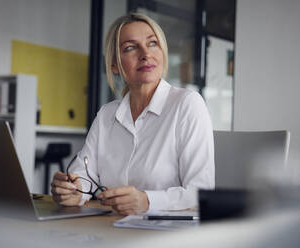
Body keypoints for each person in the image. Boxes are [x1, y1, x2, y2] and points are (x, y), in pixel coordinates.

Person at [51, 13, 214, 216]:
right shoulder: (106, 115)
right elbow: (82, 178)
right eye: (130, 47)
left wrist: (147, 201)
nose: (145, 54)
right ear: (114, 65)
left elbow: (201, 193)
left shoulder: (187, 104)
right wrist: (71, 191)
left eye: (152, 43)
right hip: (112, 230)